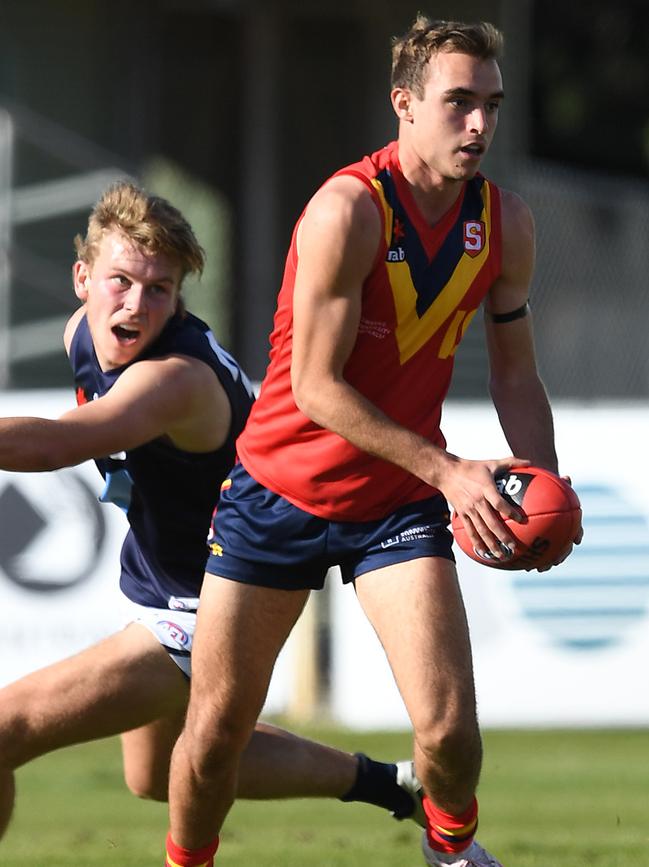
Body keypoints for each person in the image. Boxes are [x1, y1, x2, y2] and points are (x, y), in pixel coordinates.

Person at [164, 15, 583, 867]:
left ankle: (450, 849)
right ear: (404, 104)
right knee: (213, 739)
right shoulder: (346, 210)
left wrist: (544, 488)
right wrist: (450, 471)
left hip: (393, 502)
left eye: (493, 106)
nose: (480, 125)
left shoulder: (506, 225)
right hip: (276, 492)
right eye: (459, 103)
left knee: (452, 736)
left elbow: (513, 374)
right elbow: (316, 388)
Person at [0, 182, 426, 845]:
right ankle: (393, 783)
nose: (137, 304)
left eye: (160, 289)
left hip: (220, 602)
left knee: (5, 728)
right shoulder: (83, 335)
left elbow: (61, 443)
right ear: (82, 278)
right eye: (120, 281)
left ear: (179, 298)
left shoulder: (177, 378)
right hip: (161, 583)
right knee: (156, 773)